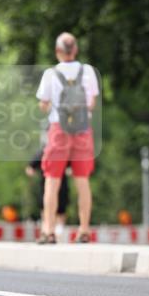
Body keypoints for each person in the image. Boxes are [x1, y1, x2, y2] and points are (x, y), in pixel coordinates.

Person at [36, 32, 99, 244]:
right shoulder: (88, 71)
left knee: (52, 181)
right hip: (82, 130)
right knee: (82, 182)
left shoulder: (50, 74)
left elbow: (44, 105)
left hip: (59, 130)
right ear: (76, 50)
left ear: (58, 52)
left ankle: (49, 230)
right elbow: (91, 104)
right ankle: (84, 230)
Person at [25, 148, 69, 235]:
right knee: (45, 204)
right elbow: (30, 167)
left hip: (60, 184)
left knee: (61, 206)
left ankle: (58, 228)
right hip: (46, 183)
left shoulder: (64, 152)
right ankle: (47, 226)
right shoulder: (42, 152)